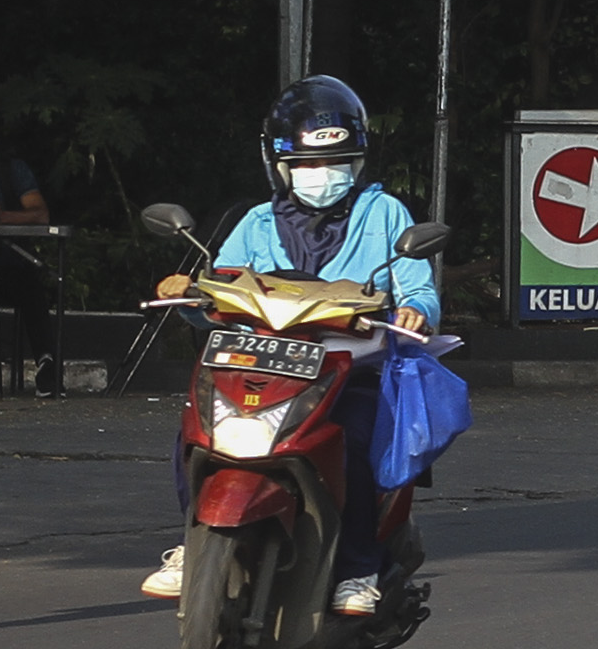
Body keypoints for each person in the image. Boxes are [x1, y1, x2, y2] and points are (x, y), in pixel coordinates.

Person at [141, 78, 440, 614]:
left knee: (352, 446)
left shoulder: (386, 215)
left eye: (336, 164)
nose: (320, 177)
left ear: (357, 163)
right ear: (280, 166)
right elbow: (218, 292)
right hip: (265, 363)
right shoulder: (255, 223)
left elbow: (418, 287)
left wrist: (416, 309)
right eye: (305, 165)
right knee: (194, 434)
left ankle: (357, 570)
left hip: (351, 368)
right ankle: (193, 545)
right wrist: (186, 291)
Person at [0, 99, 54, 391]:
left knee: (32, 287)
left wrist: (0, 217)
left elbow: (40, 213)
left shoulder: (12, 171)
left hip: (8, 262)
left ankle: (47, 365)